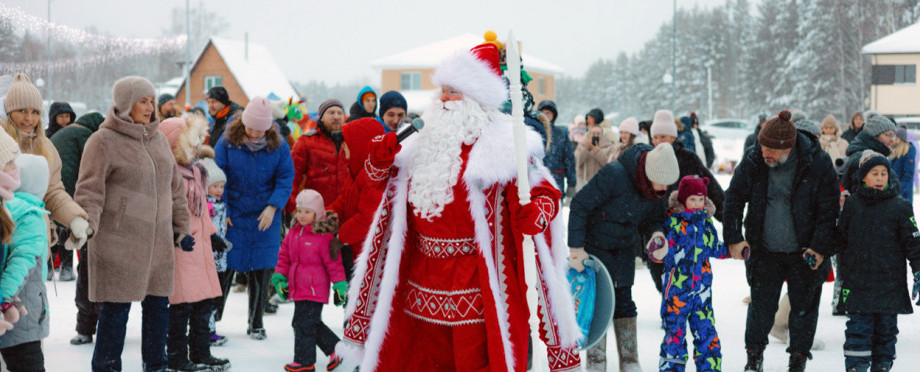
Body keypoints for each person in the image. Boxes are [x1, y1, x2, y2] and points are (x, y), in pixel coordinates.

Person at [337, 41, 581, 371]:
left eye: (454, 91)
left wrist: (539, 209)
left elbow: (542, 188)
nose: (444, 99)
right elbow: (380, 188)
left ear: (476, 98)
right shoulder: (419, 138)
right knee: (417, 361)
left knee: (475, 361)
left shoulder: (503, 143)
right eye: (442, 90)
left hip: (477, 284)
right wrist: (379, 162)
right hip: (419, 282)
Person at [74, 76, 191, 372]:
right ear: (126, 103)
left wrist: (181, 227)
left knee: (158, 312)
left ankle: (156, 367)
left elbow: (175, 188)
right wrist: (85, 223)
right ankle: (107, 367)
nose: (150, 107)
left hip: (159, 245)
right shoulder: (103, 141)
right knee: (115, 313)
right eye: (143, 101)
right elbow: (89, 189)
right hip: (119, 245)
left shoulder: (159, 139)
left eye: (152, 100)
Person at [723, 110, 839, 372]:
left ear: (788, 147)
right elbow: (733, 198)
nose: (765, 153)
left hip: (805, 252)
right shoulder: (755, 159)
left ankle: (798, 360)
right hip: (764, 250)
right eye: (763, 146)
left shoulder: (817, 163)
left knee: (803, 311)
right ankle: (754, 357)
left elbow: (829, 210)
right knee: (760, 309)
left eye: (771, 150)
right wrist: (733, 238)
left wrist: (820, 248)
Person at [569, 141, 679, 372]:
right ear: (649, 174)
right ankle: (596, 360)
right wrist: (576, 248)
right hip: (595, 246)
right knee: (598, 302)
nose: (663, 190)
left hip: (625, 248)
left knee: (625, 302)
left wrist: (656, 235)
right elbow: (579, 205)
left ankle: (630, 359)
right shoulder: (614, 175)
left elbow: (653, 219)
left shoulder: (658, 189)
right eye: (660, 183)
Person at [214, 96, 294, 341]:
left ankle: (256, 321)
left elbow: (285, 177)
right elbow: (217, 174)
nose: (256, 133)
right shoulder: (228, 141)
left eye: (261, 129)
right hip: (234, 213)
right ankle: (211, 321)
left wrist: (273, 207)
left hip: (264, 214)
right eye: (251, 128)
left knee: (262, 267)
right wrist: (223, 207)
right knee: (224, 266)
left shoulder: (278, 144)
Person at [835, 151, 920, 372]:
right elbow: (840, 238)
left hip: (889, 283)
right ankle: (857, 367)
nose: (881, 178)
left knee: (886, 332)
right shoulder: (853, 205)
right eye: (875, 173)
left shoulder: (900, 206)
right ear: (863, 177)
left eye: (884, 173)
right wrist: (818, 250)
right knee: (858, 331)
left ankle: (882, 366)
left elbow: (913, 243)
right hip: (858, 282)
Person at [158, 116, 231, 371]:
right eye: (191, 143)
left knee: (204, 304)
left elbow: (202, 212)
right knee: (181, 306)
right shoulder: (167, 174)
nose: (196, 148)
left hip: (201, 249)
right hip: (181, 247)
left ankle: (202, 353)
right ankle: (177, 356)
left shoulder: (198, 170)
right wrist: (177, 234)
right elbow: (163, 212)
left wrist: (213, 235)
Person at [3, 73, 91, 280]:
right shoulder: (2, 142)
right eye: (22, 111)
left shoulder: (45, 147)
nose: (29, 118)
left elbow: (53, 191)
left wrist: (75, 219)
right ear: (9, 111)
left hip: (35, 239)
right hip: (5, 238)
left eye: (34, 112)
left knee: (32, 304)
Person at [648, 175, 739, 372]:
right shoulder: (673, 223)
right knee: (674, 336)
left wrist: (733, 251)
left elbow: (714, 248)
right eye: (692, 200)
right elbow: (664, 251)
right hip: (677, 293)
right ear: (683, 200)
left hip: (702, 293)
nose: (697, 204)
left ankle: (710, 368)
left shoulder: (706, 224)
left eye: (701, 200)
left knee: (706, 334)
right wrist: (657, 251)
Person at [273, 189, 347, 372]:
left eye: (307, 212)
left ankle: (304, 362)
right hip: (298, 288)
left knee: (303, 323)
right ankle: (335, 349)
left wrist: (339, 285)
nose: (302, 215)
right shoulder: (293, 233)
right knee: (308, 322)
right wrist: (280, 278)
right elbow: (284, 257)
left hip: (315, 289)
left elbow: (334, 264)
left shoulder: (324, 237)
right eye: (299, 211)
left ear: (317, 213)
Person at [49, 111, 106, 344]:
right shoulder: (87, 137)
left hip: (57, 202)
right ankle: (98, 324)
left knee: (86, 266)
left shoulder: (62, 134)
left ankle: (85, 326)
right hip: (80, 207)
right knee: (91, 267)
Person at [0, 154, 51, 371]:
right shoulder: (30, 215)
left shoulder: (8, 207)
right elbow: (22, 263)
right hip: (22, 310)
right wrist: (4, 299)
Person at [288, 99, 351, 214]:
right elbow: (292, 177)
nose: (336, 117)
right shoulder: (306, 142)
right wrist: (293, 210)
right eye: (331, 113)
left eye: (340, 113)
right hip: (315, 214)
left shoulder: (352, 142)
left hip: (346, 214)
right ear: (321, 117)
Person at [45, 101, 78, 281]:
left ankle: (66, 266)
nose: (65, 120)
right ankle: (50, 266)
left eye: (68, 116)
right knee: (51, 227)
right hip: (51, 184)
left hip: (69, 185)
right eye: (61, 116)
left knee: (66, 226)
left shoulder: (74, 135)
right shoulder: (46, 136)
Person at [200, 157, 230, 347]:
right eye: (215, 186)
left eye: (221, 186)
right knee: (207, 295)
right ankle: (207, 330)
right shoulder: (205, 206)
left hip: (220, 256)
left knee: (215, 294)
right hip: (208, 255)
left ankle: (209, 328)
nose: (219, 190)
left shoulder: (221, 204)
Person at [841, 114, 897, 192]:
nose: (892, 140)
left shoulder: (877, 156)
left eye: (893, 136)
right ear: (874, 136)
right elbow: (865, 197)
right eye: (888, 135)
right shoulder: (863, 159)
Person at [538, 100, 576, 196]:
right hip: (537, 180)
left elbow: (569, 159)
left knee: (557, 208)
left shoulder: (561, 134)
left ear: (554, 115)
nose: (546, 115)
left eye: (549, 113)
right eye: (543, 113)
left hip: (557, 179)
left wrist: (572, 183)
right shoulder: (534, 132)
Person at [575, 108, 614, 192]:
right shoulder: (583, 144)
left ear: (602, 135)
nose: (595, 136)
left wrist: (598, 152)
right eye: (593, 134)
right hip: (585, 183)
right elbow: (577, 162)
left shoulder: (609, 146)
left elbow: (610, 165)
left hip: (602, 184)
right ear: (589, 134)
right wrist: (586, 149)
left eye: (598, 134)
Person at [890, 124, 916, 203]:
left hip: (902, 194)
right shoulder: (894, 151)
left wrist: (899, 191)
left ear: (899, 139)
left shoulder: (908, 152)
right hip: (894, 192)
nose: (892, 140)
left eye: (894, 137)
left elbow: (908, 175)